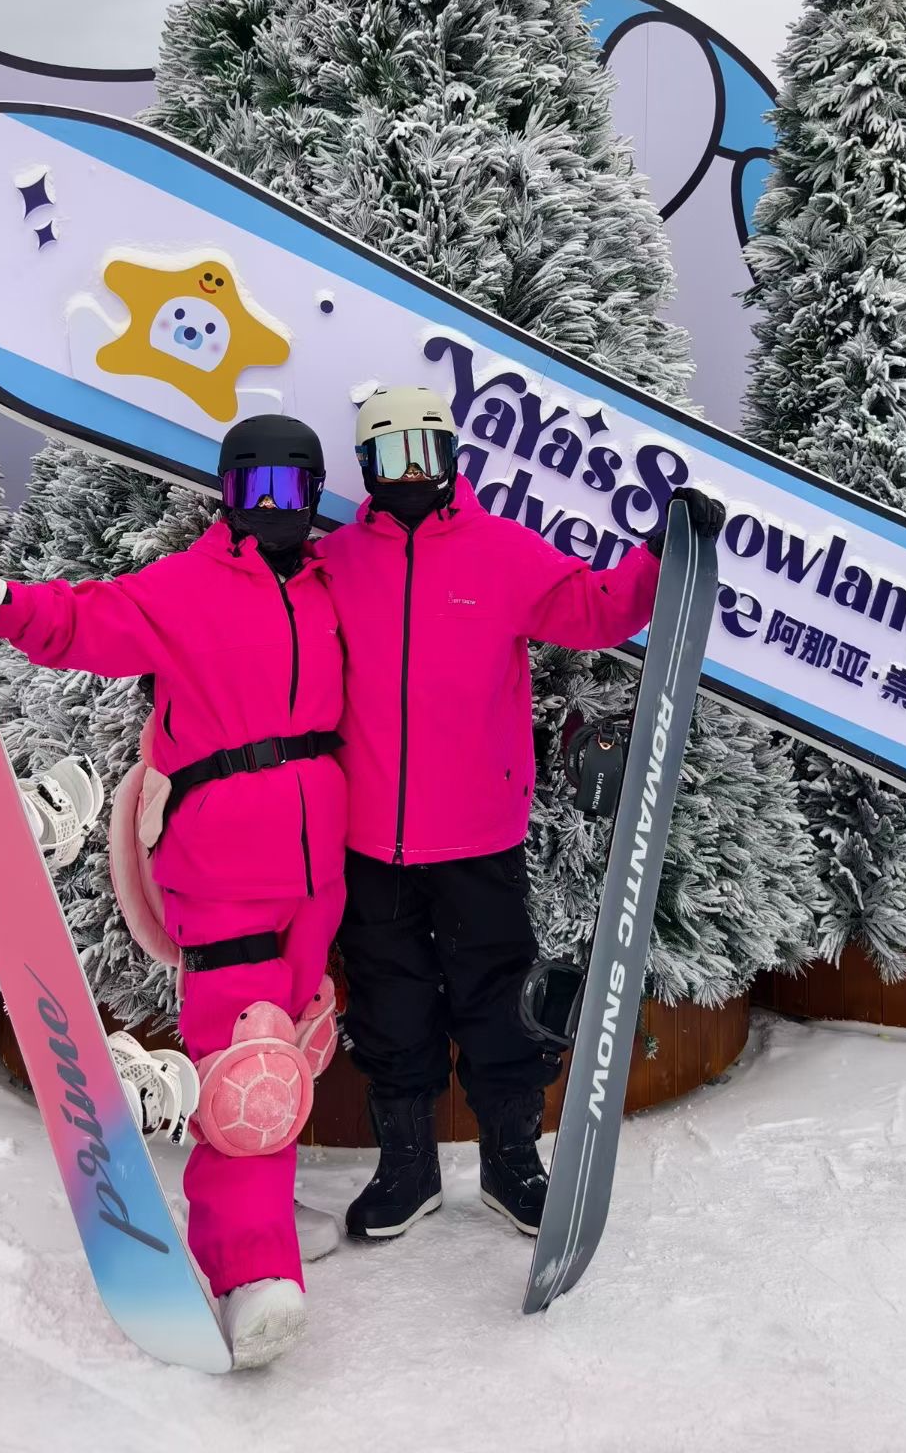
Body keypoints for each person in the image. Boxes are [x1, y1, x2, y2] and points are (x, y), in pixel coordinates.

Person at [0, 415, 346, 1369]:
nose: (273, 508)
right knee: (248, 1067)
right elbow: (81, 621)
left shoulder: (331, 588)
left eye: (291, 490)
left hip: (319, 875)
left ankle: (259, 1209)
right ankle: (253, 1274)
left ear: (314, 496)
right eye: (254, 489)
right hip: (224, 870)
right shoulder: (187, 587)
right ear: (227, 495)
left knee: (294, 1050)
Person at [316, 386, 713, 1242]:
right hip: (369, 839)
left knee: (496, 998)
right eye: (390, 458)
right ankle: (407, 1165)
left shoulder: (499, 551)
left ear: (451, 456)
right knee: (389, 1002)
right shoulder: (335, 563)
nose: (411, 474)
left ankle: (509, 1158)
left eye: (425, 452)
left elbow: (596, 610)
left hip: (477, 834)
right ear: (366, 469)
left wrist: (661, 554)